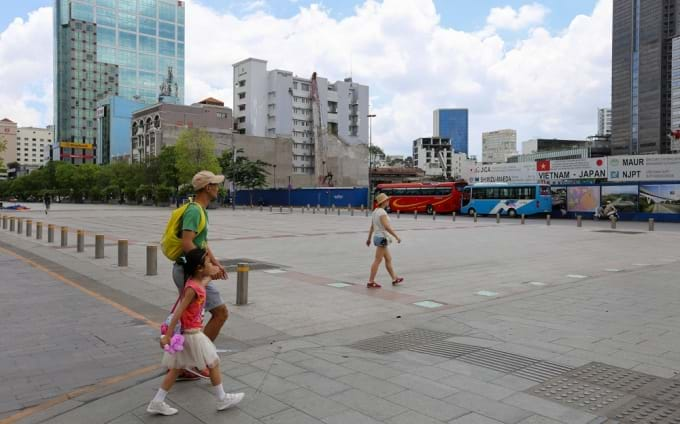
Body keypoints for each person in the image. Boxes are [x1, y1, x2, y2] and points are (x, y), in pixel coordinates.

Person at [147, 248, 244, 416]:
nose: (211, 264)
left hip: (189, 334)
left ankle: (157, 401)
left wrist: (214, 272)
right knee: (213, 361)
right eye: (208, 263)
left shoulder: (195, 282)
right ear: (199, 268)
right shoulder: (192, 288)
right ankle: (222, 398)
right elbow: (178, 312)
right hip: (192, 335)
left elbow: (204, 282)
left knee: (177, 368)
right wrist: (168, 336)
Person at [173, 170, 229, 380]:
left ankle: (182, 364)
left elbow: (201, 242)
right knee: (220, 313)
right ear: (207, 188)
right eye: (215, 184)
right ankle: (194, 363)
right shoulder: (195, 211)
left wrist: (215, 262)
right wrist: (205, 267)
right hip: (188, 272)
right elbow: (187, 243)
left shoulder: (202, 211)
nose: (218, 188)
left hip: (192, 270)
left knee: (190, 320)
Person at [365, 193, 403, 288]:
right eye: (387, 200)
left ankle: (394, 278)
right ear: (383, 202)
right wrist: (396, 236)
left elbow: (372, 226)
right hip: (382, 238)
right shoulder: (382, 212)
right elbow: (386, 227)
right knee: (377, 260)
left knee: (388, 259)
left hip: (378, 237)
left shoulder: (375, 211)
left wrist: (369, 239)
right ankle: (371, 281)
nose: (388, 201)